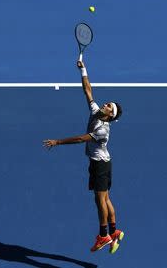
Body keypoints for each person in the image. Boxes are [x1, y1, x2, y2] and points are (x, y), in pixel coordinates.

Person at [43, 57, 124, 253]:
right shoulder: (96, 112)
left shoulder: (102, 129)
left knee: (100, 201)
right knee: (105, 199)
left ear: (110, 116)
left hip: (100, 166)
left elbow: (81, 139)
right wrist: (83, 70)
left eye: (109, 106)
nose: (105, 104)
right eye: (107, 103)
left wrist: (57, 142)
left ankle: (103, 236)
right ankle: (114, 232)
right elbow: (88, 90)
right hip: (103, 164)